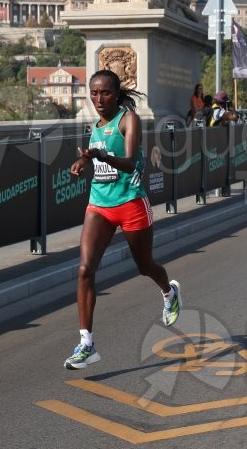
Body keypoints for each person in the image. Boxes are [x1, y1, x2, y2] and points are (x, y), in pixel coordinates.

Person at [65, 69, 182, 370]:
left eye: (104, 92)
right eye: (93, 92)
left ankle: (169, 291)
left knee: (145, 266)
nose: (98, 99)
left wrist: (100, 157)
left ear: (116, 94)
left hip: (131, 203)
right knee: (84, 270)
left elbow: (129, 163)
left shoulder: (129, 120)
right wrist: (84, 159)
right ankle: (86, 343)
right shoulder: (95, 126)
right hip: (100, 206)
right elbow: (96, 153)